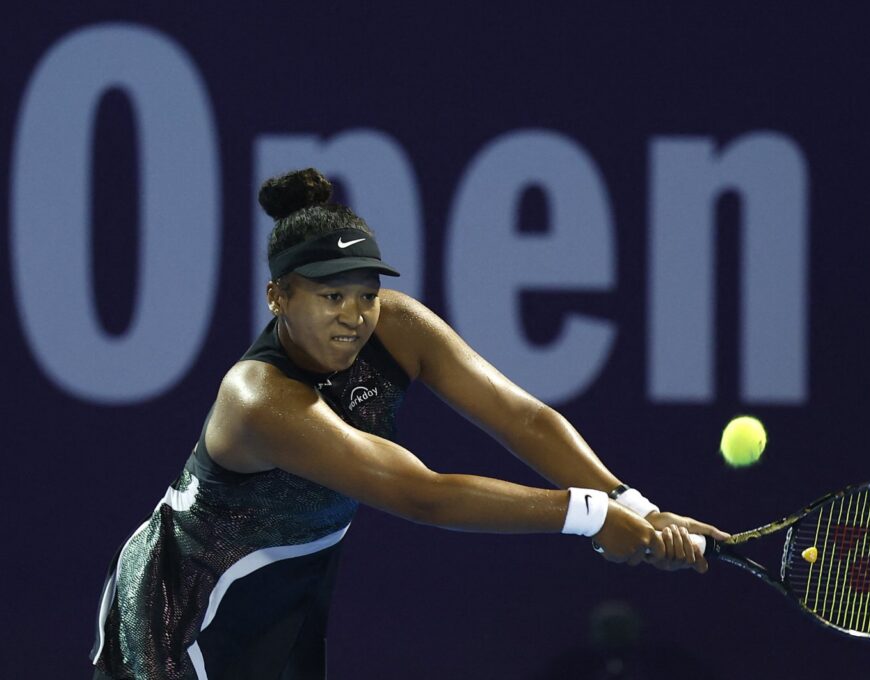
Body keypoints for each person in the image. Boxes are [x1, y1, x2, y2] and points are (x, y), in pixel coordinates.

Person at [90, 168, 728, 680]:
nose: (354, 315)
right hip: (179, 612)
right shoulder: (259, 398)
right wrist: (588, 516)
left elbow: (520, 416)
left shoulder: (397, 326)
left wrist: (633, 504)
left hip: (285, 591)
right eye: (330, 296)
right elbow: (421, 494)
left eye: (366, 293)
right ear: (278, 296)